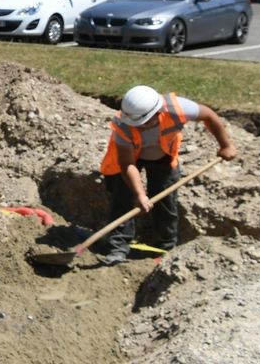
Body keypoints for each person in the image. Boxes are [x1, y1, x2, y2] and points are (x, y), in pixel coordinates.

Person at [98, 85, 237, 265]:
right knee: (122, 197)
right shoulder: (123, 125)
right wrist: (140, 195)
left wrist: (226, 145)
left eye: (143, 123)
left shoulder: (178, 108)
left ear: (157, 113)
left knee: (165, 199)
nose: (139, 127)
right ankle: (118, 247)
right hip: (130, 158)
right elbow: (127, 165)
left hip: (163, 155)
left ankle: (164, 248)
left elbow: (209, 115)